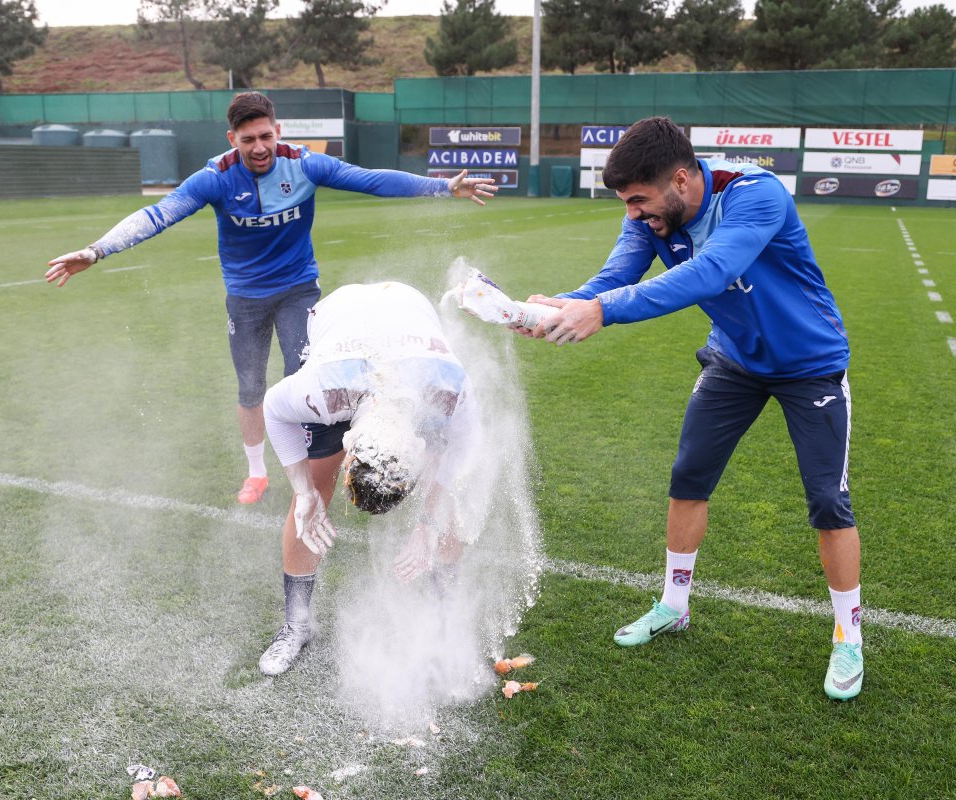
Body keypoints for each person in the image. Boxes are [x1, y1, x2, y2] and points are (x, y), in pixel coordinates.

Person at [523, 117, 864, 701]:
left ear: (681, 180)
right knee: (688, 478)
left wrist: (602, 310)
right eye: (626, 203)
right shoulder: (650, 215)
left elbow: (712, 271)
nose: (633, 214)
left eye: (639, 201)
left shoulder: (755, 194)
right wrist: (565, 304)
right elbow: (616, 274)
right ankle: (673, 605)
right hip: (735, 362)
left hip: (810, 365)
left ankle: (848, 636)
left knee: (828, 501)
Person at [45, 91, 495, 505]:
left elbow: (371, 180)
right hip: (244, 298)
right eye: (247, 140)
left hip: (299, 289)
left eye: (265, 136)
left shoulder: (304, 164)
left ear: (277, 131)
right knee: (250, 386)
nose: (258, 147)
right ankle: (257, 472)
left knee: (306, 378)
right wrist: (96, 250)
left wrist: (442, 186)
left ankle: (326, 465)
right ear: (232, 139)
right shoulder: (215, 178)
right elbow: (159, 213)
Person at [259, 281, 480, 676]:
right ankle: (297, 624)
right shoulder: (323, 395)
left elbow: (461, 457)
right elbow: (273, 409)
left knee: (449, 493)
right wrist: (304, 492)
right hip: (340, 322)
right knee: (313, 489)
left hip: (407, 309)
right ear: (348, 439)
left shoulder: (451, 391)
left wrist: (428, 523)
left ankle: (447, 622)